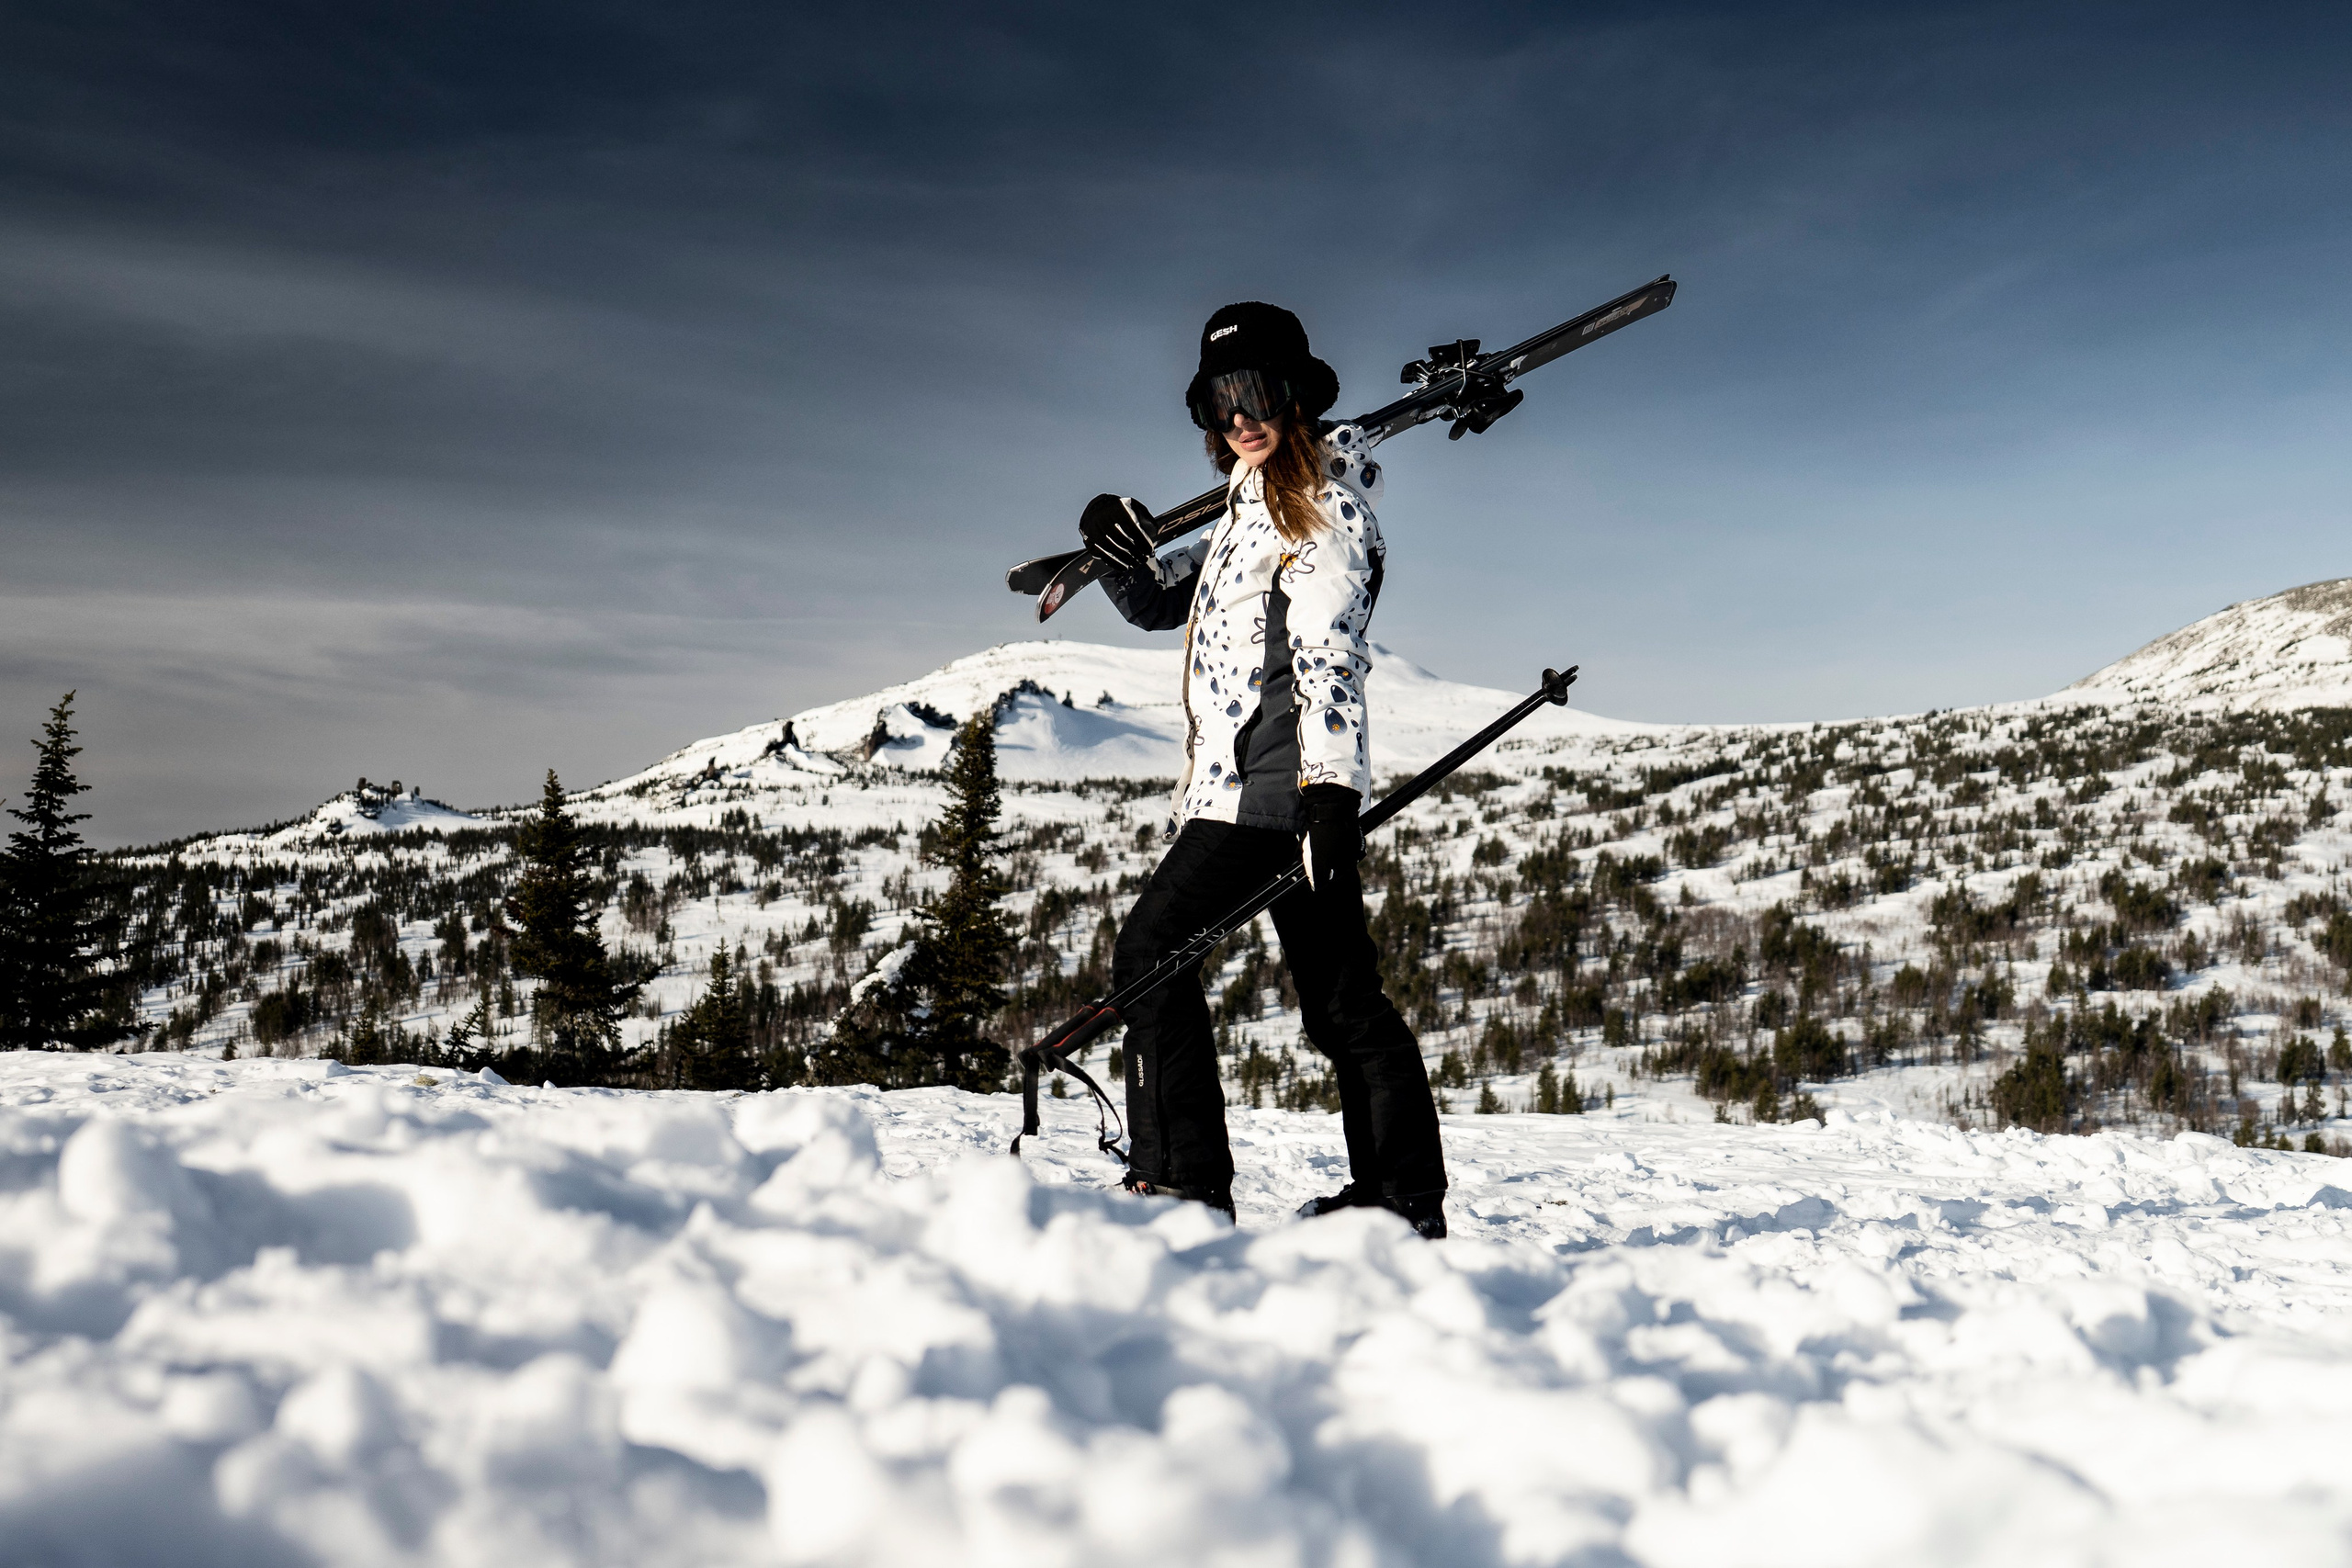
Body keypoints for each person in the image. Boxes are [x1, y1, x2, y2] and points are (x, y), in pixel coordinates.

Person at [1081, 301, 1448, 1238]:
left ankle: (1180, 1180)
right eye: (1217, 400)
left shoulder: (1318, 508)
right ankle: (1399, 1203)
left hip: (1271, 795)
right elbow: (1169, 604)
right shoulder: (1251, 512)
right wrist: (1114, 552)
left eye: (1254, 392)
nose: (1237, 415)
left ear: (1294, 394)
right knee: (1340, 1002)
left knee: (1147, 958)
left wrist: (1329, 796)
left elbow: (1328, 653)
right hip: (1263, 790)